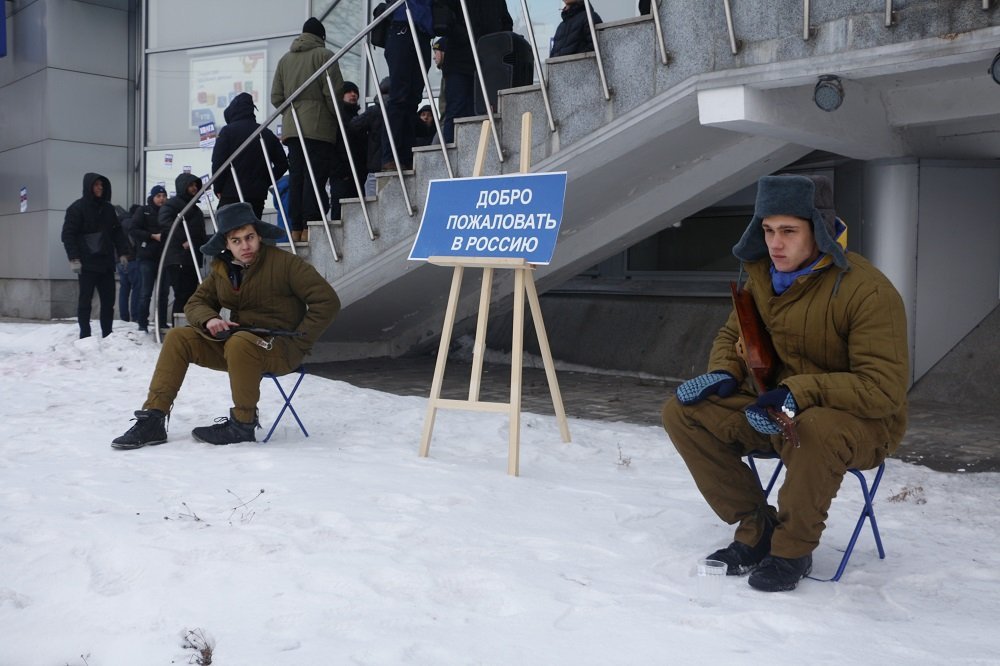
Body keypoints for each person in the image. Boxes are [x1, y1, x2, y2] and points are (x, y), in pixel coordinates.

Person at [661, 174, 909, 592]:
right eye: (768, 230)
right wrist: (725, 372)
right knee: (683, 413)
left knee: (816, 428)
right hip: (774, 410)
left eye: (789, 231)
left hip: (861, 422)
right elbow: (732, 333)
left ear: (821, 231)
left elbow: (882, 387)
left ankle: (792, 550)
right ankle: (757, 529)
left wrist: (800, 391)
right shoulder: (763, 276)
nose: (775, 244)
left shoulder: (869, 292)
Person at [111, 202, 340, 449]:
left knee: (240, 342)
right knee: (179, 337)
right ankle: (153, 420)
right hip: (238, 346)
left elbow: (327, 302)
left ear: (259, 236)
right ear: (226, 244)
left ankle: (243, 424)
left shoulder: (286, 264)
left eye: (250, 237)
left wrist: (300, 341)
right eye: (237, 240)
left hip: (279, 349)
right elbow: (195, 303)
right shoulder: (222, 269)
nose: (245, 246)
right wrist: (210, 319)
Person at [271, 17, 344, 242]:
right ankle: (310, 226)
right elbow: (332, 94)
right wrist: (338, 118)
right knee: (315, 178)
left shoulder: (285, 60)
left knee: (297, 178)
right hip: (318, 128)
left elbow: (276, 97)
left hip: (292, 130)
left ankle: (295, 228)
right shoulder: (324, 56)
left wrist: (292, 114)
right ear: (321, 37)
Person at [61, 173, 130, 338]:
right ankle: (85, 334)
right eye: (96, 185)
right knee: (85, 300)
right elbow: (68, 235)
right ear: (89, 187)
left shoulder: (108, 209)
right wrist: (74, 258)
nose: (100, 188)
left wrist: (123, 252)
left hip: (105, 263)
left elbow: (117, 232)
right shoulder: (76, 208)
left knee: (108, 301)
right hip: (86, 263)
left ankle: (107, 333)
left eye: (102, 185)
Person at [438, 0, 513, 143]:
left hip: (488, 62)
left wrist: (497, 45)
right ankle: (450, 153)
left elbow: (506, 22)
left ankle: (478, 151)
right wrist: (465, 35)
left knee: (483, 112)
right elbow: (444, 17)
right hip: (460, 60)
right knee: (457, 110)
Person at [211, 91, 288, 220]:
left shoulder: (227, 132)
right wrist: (264, 181)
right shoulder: (265, 133)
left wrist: (218, 187)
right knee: (251, 233)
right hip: (256, 195)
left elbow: (218, 162)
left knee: (226, 235)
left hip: (231, 192)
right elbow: (283, 163)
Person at [381, 0, 433, 171]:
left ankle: (405, 156)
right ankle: (390, 156)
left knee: (412, 99)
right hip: (403, 27)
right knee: (399, 97)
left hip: (422, 32)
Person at [158, 173, 209, 329]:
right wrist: (183, 239)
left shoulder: (195, 209)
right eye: (191, 185)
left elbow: (199, 234)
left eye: (196, 185)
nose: (194, 188)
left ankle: (186, 327)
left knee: (190, 295)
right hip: (178, 257)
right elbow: (165, 221)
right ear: (183, 186)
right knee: (181, 294)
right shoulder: (173, 204)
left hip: (192, 258)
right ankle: (177, 330)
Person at [130, 185, 169, 333]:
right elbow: (133, 230)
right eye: (158, 196)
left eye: (164, 196)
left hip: (164, 257)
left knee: (163, 293)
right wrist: (151, 236)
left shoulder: (168, 212)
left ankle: (162, 322)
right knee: (145, 292)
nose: (161, 199)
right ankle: (142, 323)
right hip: (146, 257)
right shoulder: (143, 211)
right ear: (152, 197)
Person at [327, 81, 366, 220]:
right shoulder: (335, 118)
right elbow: (331, 147)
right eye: (349, 91)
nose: (353, 94)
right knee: (340, 214)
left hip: (358, 174)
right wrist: (339, 170)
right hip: (341, 174)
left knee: (358, 215)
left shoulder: (358, 118)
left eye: (355, 92)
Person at [350, 76, 390, 198]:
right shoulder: (401, 110)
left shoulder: (374, 111)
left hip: (376, 166)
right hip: (398, 163)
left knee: (373, 204)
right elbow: (422, 130)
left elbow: (354, 125)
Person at [115, 203, 142, 323]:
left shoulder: (119, 222)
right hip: (132, 259)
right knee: (137, 288)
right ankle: (135, 316)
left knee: (124, 289)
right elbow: (135, 242)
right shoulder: (132, 223)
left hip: (119, 260)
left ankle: (124, 317)